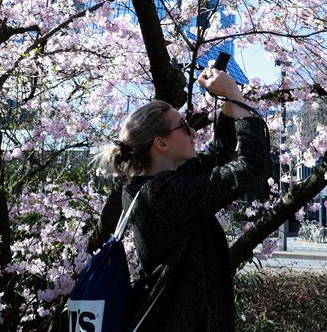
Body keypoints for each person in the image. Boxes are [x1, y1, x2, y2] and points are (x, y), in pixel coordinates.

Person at [94, 67, 271, 331]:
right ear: (161, 144)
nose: (192, 131)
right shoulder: (162, 195)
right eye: (183, 126)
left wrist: (227, 106)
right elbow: (251, 166)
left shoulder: (148, 184)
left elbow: (218, 155)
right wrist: (235, 95)